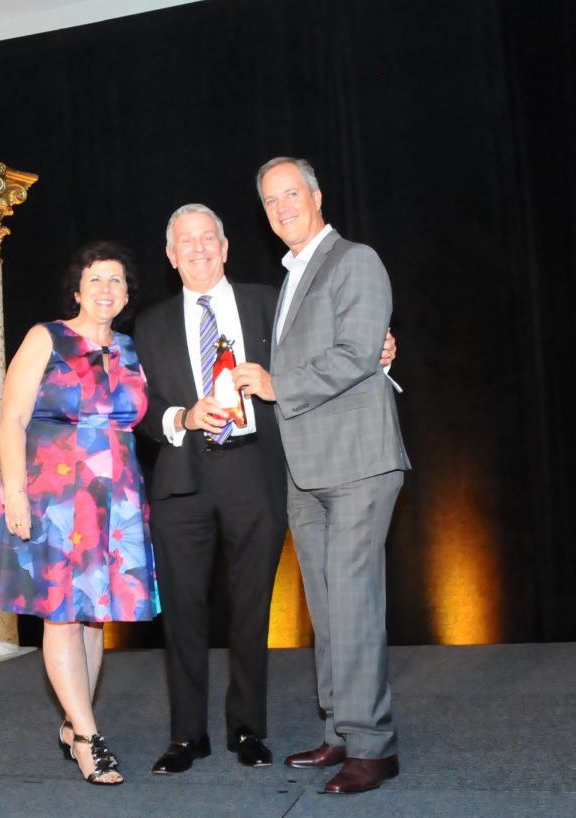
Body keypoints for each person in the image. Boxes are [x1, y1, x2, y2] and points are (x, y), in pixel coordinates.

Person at [133, 203, 396, 775]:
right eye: (186, 242)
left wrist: (379, 344)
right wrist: (181, 416)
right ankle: (186, 737)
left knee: (253, 610)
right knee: (183, 612)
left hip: (257, 472)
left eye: (209, 238)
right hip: (182, 481)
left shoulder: (272, 304)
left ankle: (247, 729)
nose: (199, 249)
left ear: (225, 248)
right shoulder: (148, 325)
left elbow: (330, 345)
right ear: (171, 256)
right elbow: (139, 408)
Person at [233, 157, 411, 794]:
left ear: (316, 196)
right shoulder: (292, 278)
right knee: (329, 608)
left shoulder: (354, 260)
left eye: (291, 195)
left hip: (358, 461)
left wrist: (277, 384)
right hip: (306, 468)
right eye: (270, 201)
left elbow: (358, 353)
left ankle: (373, 746)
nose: (282, 208)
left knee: (354, 603)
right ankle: (339, 729)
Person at [0, 241, 160, 786]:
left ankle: (73, 723)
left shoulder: (132, 350)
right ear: (77, 290)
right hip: (54, 495)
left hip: (115, 498)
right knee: (61, 614)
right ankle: (87, 737)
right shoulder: (47, 337)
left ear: (127, 294)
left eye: (116, 280)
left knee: (92, 616)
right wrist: (15, 493)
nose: (106, 288)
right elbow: (12, 418)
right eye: (96, 279)